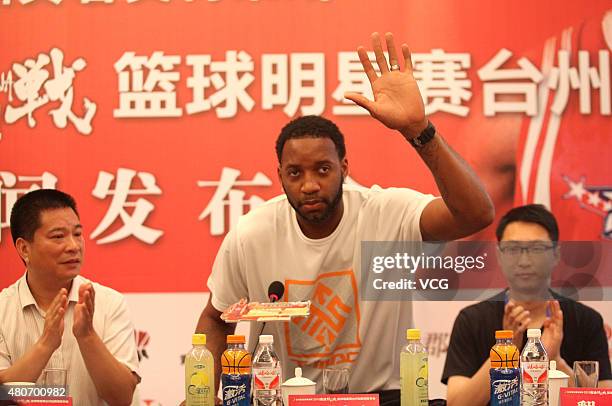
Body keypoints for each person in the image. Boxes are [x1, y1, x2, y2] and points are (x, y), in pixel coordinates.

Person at [195, 32, 495, 404]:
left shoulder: (387, 212)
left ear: (344, 168)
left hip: (379, 398)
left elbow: (476, 214)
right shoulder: (252, 233)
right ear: (280, 176)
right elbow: (215, 317)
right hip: (280, 398)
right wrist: (202, 396)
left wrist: (418, 130)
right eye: (295, 173)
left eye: (322, 169)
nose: (308, 185)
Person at [442, 204, 612, 406]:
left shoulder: (586, 320)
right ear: (499, 255)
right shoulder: (472, 320)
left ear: (556, 254)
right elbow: (456, 403)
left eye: (536, 248)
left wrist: (556, 361)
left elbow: (603, 401)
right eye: (513, 249)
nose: (524, 260)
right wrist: (505, 354)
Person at [0, 189, 140, 406]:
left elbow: (121, 398)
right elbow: (2, 395)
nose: (74, 246)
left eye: (77, 234)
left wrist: (87, 336)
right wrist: (46, 344)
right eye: (58, 236)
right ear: (24, 248)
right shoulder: (2, 309)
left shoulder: (109, 303)